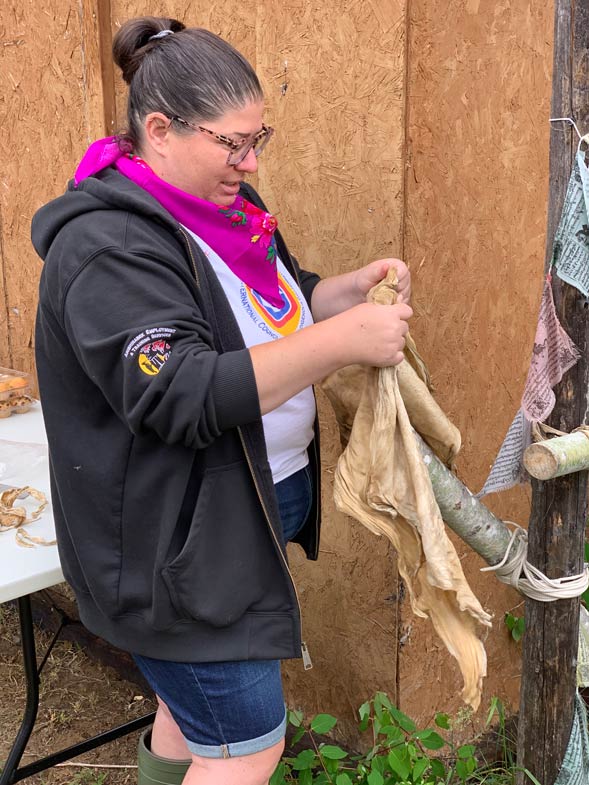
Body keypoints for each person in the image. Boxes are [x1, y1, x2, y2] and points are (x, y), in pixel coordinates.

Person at [32, 15, 412, 785]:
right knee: (246, 743)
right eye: (230, 143)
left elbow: (260, 304)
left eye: (258, 138)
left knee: (192, 717)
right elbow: (177, 389)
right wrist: (339, 345)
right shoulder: (109, 244)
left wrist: (334, 297)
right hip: (167, 549)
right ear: (160, 129)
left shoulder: (225, 212)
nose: (249, 161)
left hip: (224, 521)